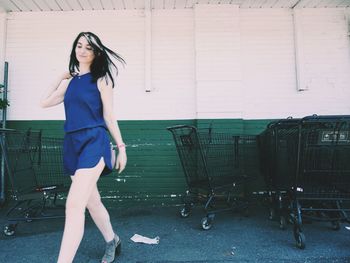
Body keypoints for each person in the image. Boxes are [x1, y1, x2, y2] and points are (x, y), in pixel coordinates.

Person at [40, 32, 127, 263]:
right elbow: (44, 102)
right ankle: (112, 240)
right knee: (92, 201)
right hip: (71, 144)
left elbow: (109, 115)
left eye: (88, 47)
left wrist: (121, 147)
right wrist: (60, 75)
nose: (82, 50)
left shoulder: (102, 79)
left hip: (94, 141)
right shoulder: (70, 83)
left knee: (74, 205)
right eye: (79, 45)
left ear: (96, 52)